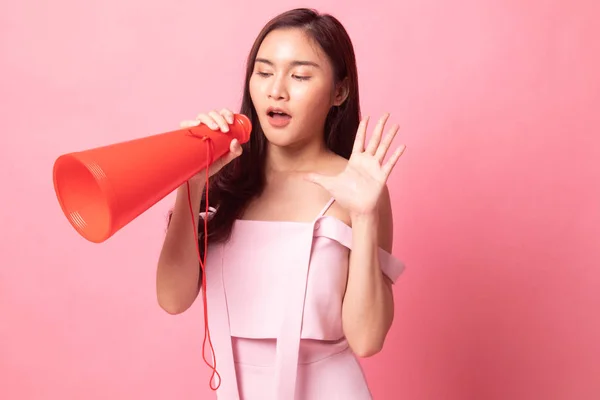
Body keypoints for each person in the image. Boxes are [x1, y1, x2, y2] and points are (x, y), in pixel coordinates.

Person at [156, 7, 406, 400]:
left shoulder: (358, 188)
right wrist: (190, 183)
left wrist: (364, 214)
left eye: (301, 75)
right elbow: (172, 299)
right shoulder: (224, 180)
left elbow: (367, 339)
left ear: (339, 92)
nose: (277, 90)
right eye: (264, 71)